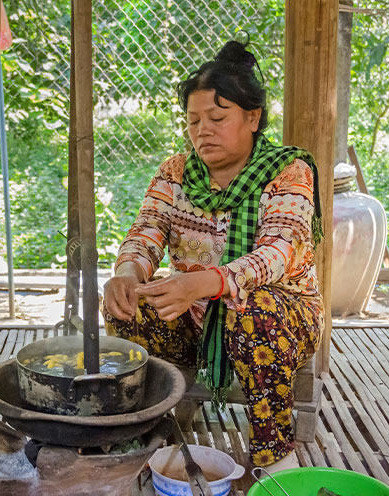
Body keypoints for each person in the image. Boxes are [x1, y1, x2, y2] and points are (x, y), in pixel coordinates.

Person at [102, 39, 324, 473]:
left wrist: (206, 282)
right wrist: (128, 273)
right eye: (193, 120)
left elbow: (281, 249)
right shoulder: (176, 172)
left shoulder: (287, 171)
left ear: (253, 117)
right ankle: (151, 425)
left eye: (217, 118)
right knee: (130, 307)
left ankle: (275, 458)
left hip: (279, 318)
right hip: (194, 314)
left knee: (252, 310)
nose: (202, 130)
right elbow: (146, 232)